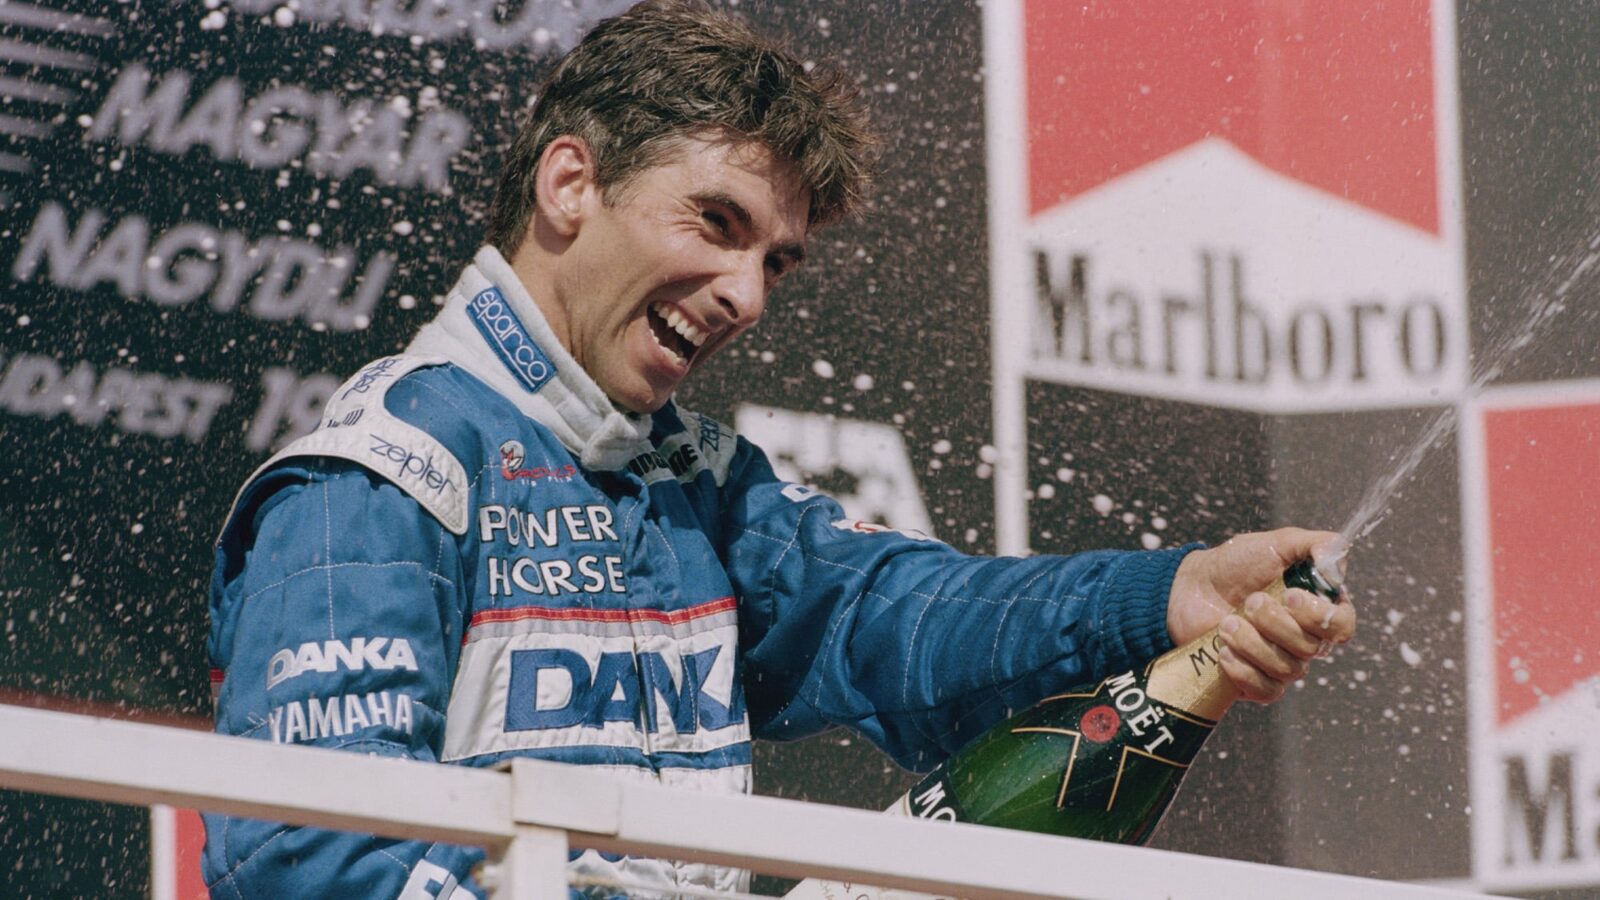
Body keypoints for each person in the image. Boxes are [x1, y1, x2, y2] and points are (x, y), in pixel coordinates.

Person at [202, 2, 1357, 897]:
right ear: (570, 185)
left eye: (777, 262)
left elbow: (908, 630)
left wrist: (1169, 597)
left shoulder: (694, 486)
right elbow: (308, 856)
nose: (747, 295)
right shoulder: (383, 477)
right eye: (716, 224)